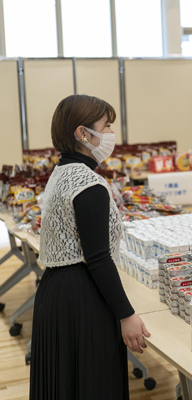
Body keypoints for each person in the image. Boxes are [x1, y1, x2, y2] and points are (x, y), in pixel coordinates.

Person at [32, 95, 150, 399]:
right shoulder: (87, 184)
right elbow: (97, 259)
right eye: (106, 126)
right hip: (82, 298)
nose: (110, 134)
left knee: (64, 384)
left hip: (55, 292)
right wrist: (127, 315)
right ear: (83, 134)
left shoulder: (61, 172)